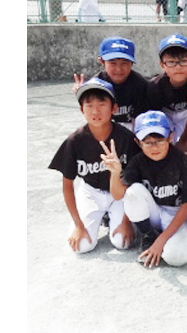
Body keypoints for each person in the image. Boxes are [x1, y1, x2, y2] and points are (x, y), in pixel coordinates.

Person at [101, 110, 187, 268]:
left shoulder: (184, 161)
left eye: (159, 140)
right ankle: (148, 235)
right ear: (138, 142)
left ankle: (161, 239)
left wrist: (162, 241)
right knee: (133, 191)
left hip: (176, 213)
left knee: (177, 259)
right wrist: (115, 173)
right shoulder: (137, 161)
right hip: (153, 211)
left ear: (170, 137)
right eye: (147, 142)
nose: (154, 147)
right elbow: (118, 195)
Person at [48, 77, 140, 254]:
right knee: (82, 246)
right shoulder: (75, 140)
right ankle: (97, 216)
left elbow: (135, 182)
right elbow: (67, 185)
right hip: (91, 192)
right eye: (89, 105)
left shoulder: (126, 137)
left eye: (102, 104)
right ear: (81, 110)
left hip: (120, 194)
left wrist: (126, 222)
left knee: (123, 242)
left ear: (114, 108)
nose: (95, 111)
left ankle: (112, 217)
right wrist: (78, 225)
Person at [146, 34, 187, 151]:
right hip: (165, 115)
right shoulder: (155, 86)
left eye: (184, 61)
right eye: (171, 62)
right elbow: (155, 119)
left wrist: (183, 140)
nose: (178, 67)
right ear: (162, 65)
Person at [72, 36, 148, 132]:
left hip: (132, 127)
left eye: (124, 63)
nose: (118, 69)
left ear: (132, 63)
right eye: (113, 63)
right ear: (102, 61)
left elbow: (141, 120)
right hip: (105, 126)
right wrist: (82, 93)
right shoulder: (96, 85)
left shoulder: (140, 84)